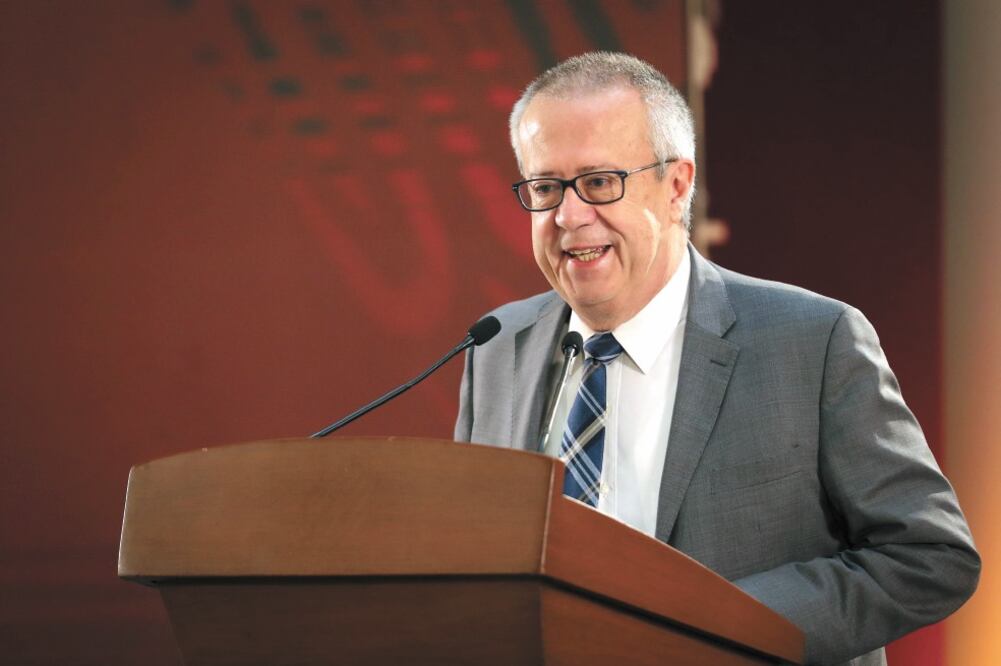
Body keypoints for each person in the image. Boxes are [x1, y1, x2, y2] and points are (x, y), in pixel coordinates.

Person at [454, 52, 979, 666]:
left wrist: (715, 631)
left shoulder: (812, 339)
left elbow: (928, 556)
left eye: (599, 182)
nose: (569, 216)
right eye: (546, 188)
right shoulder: (496, 344)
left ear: (676, 187)